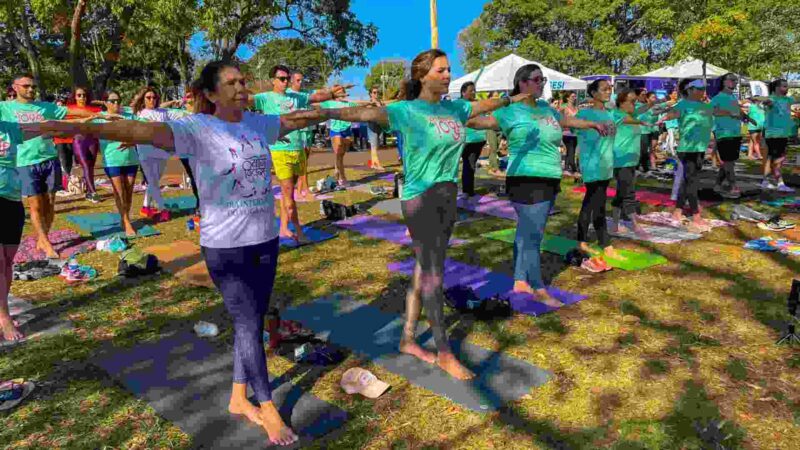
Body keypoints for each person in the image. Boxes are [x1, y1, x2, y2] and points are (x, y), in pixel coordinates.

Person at [24, 60, 340, 447]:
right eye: (231, 83)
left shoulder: (257, 124)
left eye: (243, 81)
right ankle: (268, 407)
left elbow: (298, 120)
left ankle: (238, 398)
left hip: (264, 237)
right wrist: (80, 126)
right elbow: (137, 128)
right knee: (246, 324)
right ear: (209, 94)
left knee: (254, 319)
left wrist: (345, 111)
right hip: (226, 245)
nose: (241, 88)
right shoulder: (196, 128)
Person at [322, 49, 529, 380]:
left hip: (447, 195)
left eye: (449, 70)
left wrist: (512, 98)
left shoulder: (455, 108)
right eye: (441, 70)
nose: (448, 75)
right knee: (434, 274)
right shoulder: (405, 110)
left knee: (425, 269)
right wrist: (319, 110)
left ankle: (408, 338)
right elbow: (361, 114)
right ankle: (444, 351)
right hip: (421, 199)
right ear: (422, 76)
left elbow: (482, 106)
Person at [467, 64, 607, 305]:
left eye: (543, 79)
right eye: (536, 79)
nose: (541, 83)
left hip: (550, 176)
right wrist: (503, 100)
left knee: (526, 232)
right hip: (525, 178)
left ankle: (520, 281)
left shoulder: (546, 109)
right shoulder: (509, 111)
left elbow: (568, 121)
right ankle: (538, 287)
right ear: (522, 83)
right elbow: (471, 120)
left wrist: (593, 124)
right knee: (533, 234)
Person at [251, 65, 348, 242]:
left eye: (287, 78)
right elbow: (245, 100)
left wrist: (331, 93)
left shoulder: (295, 97)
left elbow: (314, 96)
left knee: (289, 194)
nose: (286, 81)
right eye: (282, 79)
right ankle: (299, 232)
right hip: (280, 151)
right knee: (289, 197)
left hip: (298, 150)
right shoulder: (265, 98)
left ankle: (283, 228)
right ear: (273, 80)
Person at [0, 73, 92, 259]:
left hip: (50, 158)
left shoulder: (45, 107)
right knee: (35, 205)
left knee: (50, 203)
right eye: (26, 86)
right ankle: (45, 242)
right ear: (15, 87)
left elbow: (72, 111)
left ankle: (44, 237)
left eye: (33, 86)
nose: (31, 89)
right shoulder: (5, 107)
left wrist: (99, 115)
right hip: (25, 162)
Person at [658, 79, 737, 232]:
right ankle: (696, 215)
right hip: (687, 150)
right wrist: (663, 118)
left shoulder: (705, 106)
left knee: (687, 181)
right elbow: (673, 113)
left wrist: (734, 113)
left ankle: (678, 211)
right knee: (693, 182)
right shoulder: (682, 104)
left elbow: (717, 111)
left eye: (703, 88)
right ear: (689, 90)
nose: (703, 91)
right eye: (699, 88)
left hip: (700, 149)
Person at [574, 79, 624, 258]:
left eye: (609, 89)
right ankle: (605, 244)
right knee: (597, 204)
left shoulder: (610, 114)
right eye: (604, 89)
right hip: (592, 164)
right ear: (593, 93)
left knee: (591, 203)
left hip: (606, 164)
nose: (608, 91)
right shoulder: (584, 113)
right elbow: (569, 127)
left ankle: (582, 241)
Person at [130, 86, 185, 222]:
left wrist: (185, 104)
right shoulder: (141, 113)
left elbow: (180, 114)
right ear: (143, 99)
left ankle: (145, 207)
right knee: (152, 180)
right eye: (148, 97)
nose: (152, 100)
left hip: (162, 150)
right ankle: (163, 209)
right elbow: (152, 124)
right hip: (145, 149)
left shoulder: (163, 112)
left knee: (155, 180)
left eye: (154, 97)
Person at [610, 89, 653, 235]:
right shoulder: (616, 114)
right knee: (628, 193)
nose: (635, 104)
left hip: (631, 160)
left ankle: (615, 224)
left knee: (621, 193)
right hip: (621, 160)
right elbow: (627, 120)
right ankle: (635, 225)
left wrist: (655, 103)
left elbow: (643, 108)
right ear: (621, 102)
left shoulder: (630, 113)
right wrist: (640, 121)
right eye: (632, 101)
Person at [97, 91, 140, 237]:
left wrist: (132, 142)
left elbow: (140, 134)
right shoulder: (100, 118)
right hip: (112, 160)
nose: (116, 104)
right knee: (119, 192)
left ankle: (125, 216)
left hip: (131, 159)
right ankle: (127, 221)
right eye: (113, 101)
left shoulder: (129, 116)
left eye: (118, 101)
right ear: (106, 102)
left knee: (128, 192)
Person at [0, 120, 25, 342]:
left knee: (8, 261)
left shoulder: (11, 127)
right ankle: (4, 317)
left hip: (12, 197)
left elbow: (51, 126)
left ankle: (1, 311)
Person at [710, 73, 750, 198]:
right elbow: (711, 111)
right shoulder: (717, 98)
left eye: (736, 80)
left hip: (735, 133)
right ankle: (733, 186)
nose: (734, 82)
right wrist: (729, 113)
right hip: (723, 133)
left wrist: (746, 116)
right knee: (728, 162)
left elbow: (738, 111)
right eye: (731, 80)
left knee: (729, 161)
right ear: (724, 82)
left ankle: (717, 184)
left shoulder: (733, 97)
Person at [756, 79, 796, 192]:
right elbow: (764, 101)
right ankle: (778, 182)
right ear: (777, 88)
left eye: (787, 86)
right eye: (784, 86)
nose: (787, 88)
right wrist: (766, 102)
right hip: (773, 133)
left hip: (783, 133)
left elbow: (796, 101)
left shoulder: (788, 99)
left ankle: (767, 181)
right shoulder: (772, 99)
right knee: (775, 158)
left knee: (776, 158)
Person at [67, 86, 103, 202]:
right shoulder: (69, 109)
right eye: (79, 95)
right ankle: (93, 192)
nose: (82, 97)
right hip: (78, 140)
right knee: (85, 165)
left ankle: (88, 192)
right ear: (75, 97)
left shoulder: (95, 110)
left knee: (91, 166)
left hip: (92, 139)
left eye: (84, 95)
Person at [288, 71, 314, 197]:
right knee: (301, 160)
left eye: (302, 80)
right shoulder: (288, 94)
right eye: (298, 80)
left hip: (308, 130)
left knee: (305, 160)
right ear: (291, 81)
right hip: (296, 132)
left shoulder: (306, 94)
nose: (301, 82)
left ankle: (299, 187)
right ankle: (305, 188)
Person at [320, 98, 358, 186]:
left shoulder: (348, 103)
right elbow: (317, 105)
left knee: (341, 155)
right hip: (335, 129)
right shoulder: (329, 102)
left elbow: (359, 104)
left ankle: (337, 170)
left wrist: (371, 102)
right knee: (338, 153)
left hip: (347, 130)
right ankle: (342, 177)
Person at [459, 82, 486, 196]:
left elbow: (484, 119)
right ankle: (467, 191)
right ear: (463, 92)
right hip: (467, 140)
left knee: (471, 165)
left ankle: (468, 190)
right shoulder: (459, 104)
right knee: (468, 165)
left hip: (479, 140)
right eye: (471, 90)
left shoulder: (476, 103)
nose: (474, 92)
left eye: (474, 90)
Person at [366, 86, 386, 170]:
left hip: (380, 125)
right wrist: (376, 105)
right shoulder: (369, 103)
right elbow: (368, 113)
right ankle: (377, 164)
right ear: (370, 94)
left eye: (377, 92)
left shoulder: (380, 102)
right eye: (374, 92)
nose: (376, 94)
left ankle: (373, 163)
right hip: (372, 126)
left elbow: (384, 111)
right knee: (373, 146)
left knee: (377, 145)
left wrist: (380, 105)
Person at [560, 91, 580, 176]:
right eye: (572, 96)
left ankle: (566, 168)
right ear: (567, 98)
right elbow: (559, 119)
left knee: (571, 151)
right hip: (566, 133)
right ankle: (575, 169)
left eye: (575, 96)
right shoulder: (563, 108)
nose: (574, 98)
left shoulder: (577, 108)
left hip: (575, 133)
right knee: (571, 150)